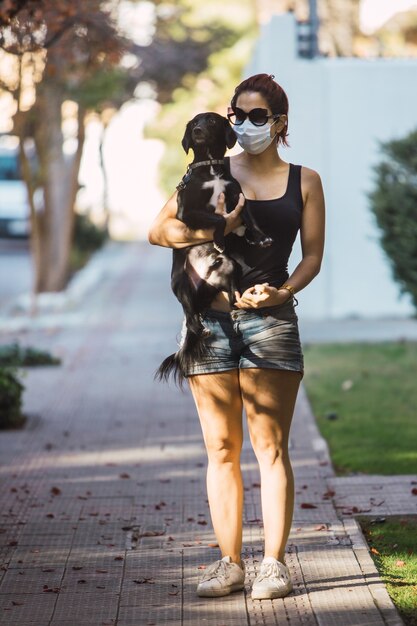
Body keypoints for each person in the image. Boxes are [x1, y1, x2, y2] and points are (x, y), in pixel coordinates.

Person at [148, 73, 325, 600]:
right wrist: (215, 230)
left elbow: (312, 256)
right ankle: (228, 563)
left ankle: (272, 564)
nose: (246, 125)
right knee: (221, 449)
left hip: (272, 323)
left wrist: (283, 291)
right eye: (238, 116)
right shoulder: (209, 171)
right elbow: (159, 231)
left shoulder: (305, 181)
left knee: (270, 448)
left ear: (279, 122)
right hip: (209, 322)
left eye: (257, 117)